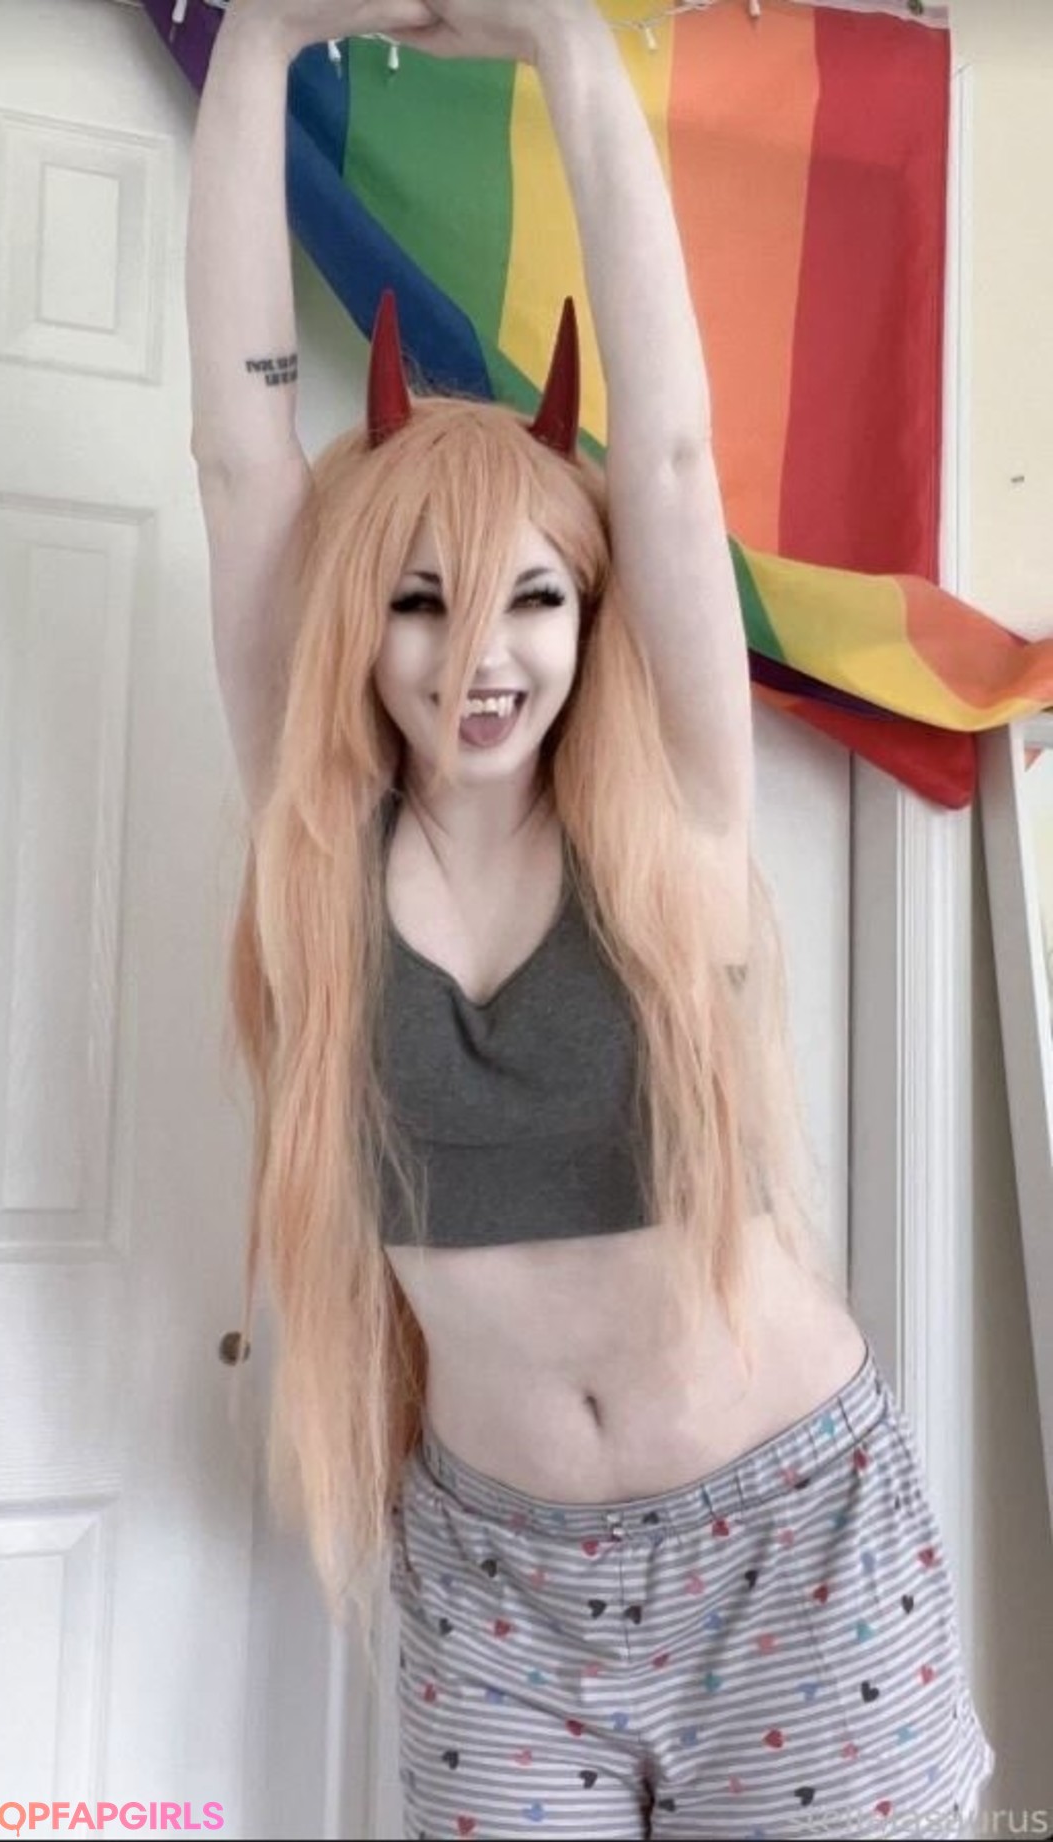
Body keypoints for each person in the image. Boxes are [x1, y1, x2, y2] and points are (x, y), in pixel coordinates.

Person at [186, 1, 995, 1835]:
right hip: (499, 1589)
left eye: (536, 597)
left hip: (794, 1555)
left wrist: (563, 35)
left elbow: (680, 457)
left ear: (590, 612)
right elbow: (240, 458)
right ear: (360, 625)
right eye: (421, 599)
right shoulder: (319, 849)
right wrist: (265, 39)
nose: (480, 655)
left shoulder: (677, 812)